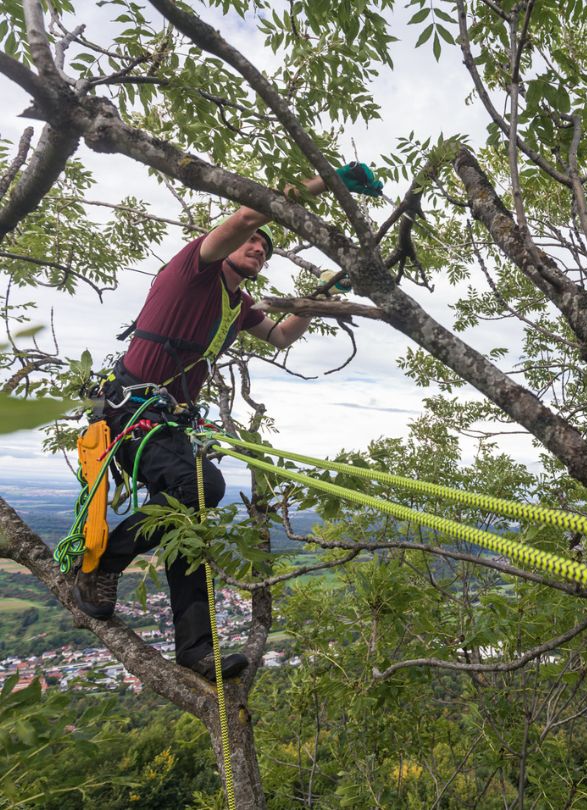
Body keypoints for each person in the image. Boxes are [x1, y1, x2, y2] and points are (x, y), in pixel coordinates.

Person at [71, 162, 382, 680]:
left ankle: (196, 651)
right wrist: (327, 180)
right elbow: (245, 215)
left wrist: (324, 293)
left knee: (186, 521)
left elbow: (281, 335)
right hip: (131, 411)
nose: (259, 248)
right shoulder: (196, 266)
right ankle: (101, 565)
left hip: (164, 423)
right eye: (253, 243)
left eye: (266, 248)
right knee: (201, 487)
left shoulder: (236, 305)